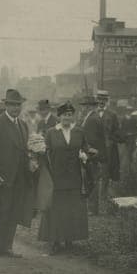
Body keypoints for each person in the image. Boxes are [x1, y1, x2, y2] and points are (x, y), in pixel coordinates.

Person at [0, 89, 33, 258]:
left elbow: (25, 150)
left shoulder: (23, 125)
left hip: (20, 177)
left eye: (18, 105)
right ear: (6, 105)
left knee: (14, 212)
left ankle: (8, 246)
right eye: (12, 105)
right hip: (3, 178)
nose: (15, 108)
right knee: (1, 212)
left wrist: (31, 162)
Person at [38, 102, 91, 254]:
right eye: (64, 115)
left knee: (71, 209)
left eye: (70, 115)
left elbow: (86, 149)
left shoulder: (79, 132)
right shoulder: (51, 132)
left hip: (74, 178)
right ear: (59, 116)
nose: (67, 117)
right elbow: (45, 153)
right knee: (56, 209)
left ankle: (69, 241)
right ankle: (55, 241)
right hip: (56, 177)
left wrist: (85, 155)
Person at [81, 90, 120, 214]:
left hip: (105, 150)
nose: (101, 102)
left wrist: (111, 141)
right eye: (99, 100)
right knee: (94, 176)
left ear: (107, 101)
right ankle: (96, 205)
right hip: (95, 150)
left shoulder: (112, 115)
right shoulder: (91, 115)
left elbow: (117, 132)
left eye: (104, 100)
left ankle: (102, 203)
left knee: (105, 176)